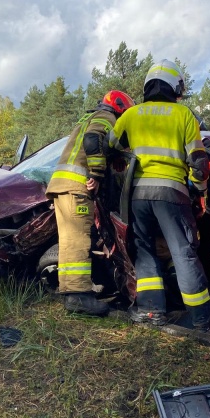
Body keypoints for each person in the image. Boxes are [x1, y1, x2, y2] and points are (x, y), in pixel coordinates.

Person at [109, 59, 210, 331]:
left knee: (145, 251)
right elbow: (200, 165)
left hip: (138, 195)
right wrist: (198, 192)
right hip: (173, 193)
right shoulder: (183, 115)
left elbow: (111, 145)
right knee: (183, 252)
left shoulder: (131, 115)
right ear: (173, 86)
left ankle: (152, 312)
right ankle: (201, 315)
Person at [46, 90, 135, 316]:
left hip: (62, 185)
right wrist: (95, 174)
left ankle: (70, 292)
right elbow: (93, 140)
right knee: (78, 239)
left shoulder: (88, 118)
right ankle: (78, 296)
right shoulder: (107, 118)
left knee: (68, 240)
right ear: (120, 109)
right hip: (77, 185)